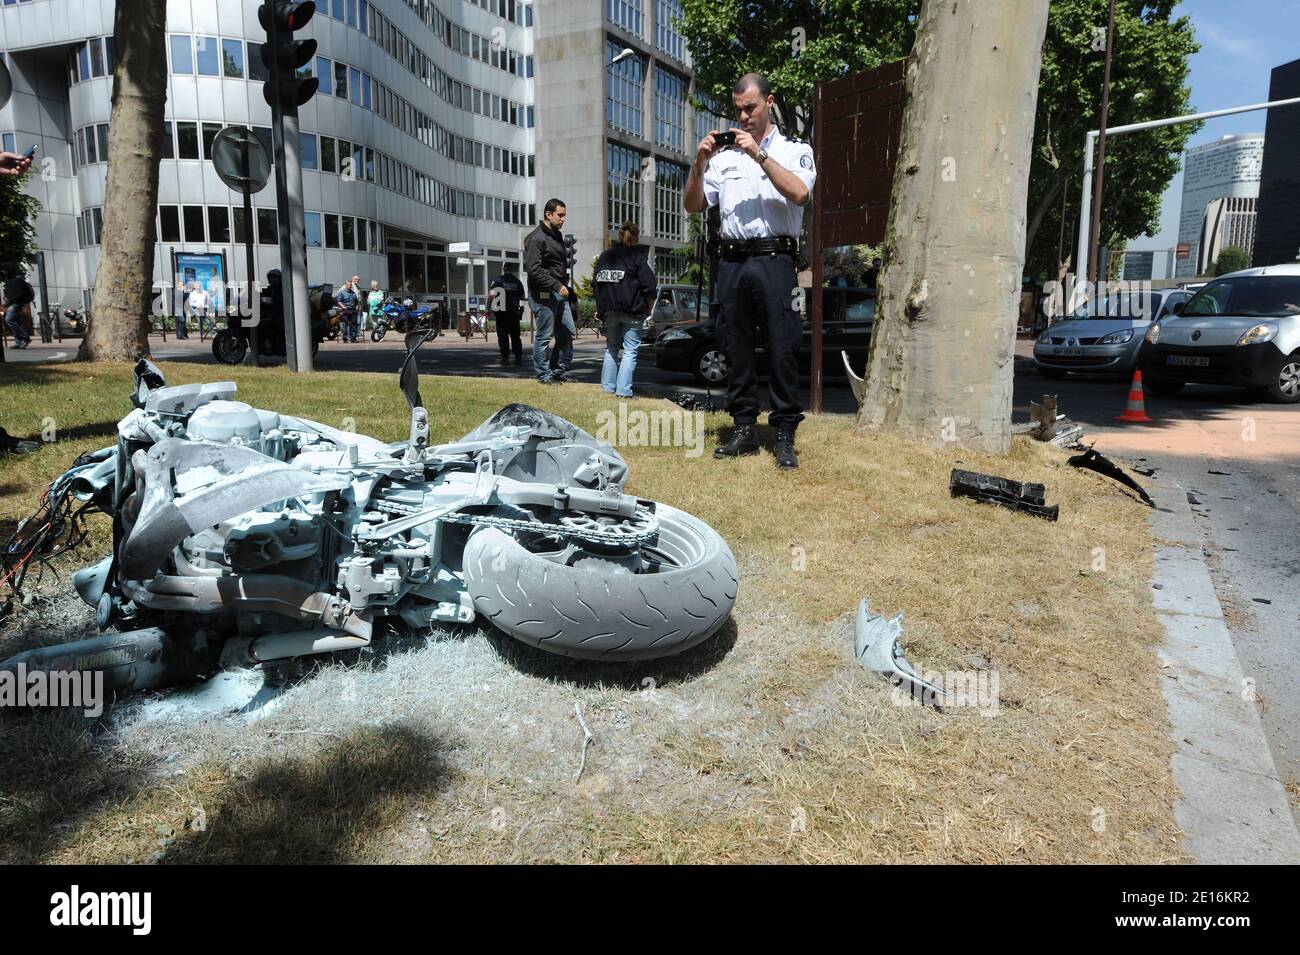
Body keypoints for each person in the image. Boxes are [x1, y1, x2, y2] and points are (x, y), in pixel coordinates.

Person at [684, 72, 816, 470]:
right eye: (738, 109)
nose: (743, 117)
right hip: (732, 261)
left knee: (783, 346)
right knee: (735, 346)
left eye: (751, 108)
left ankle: (783, 432)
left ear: (769, 102)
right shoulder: (722, 159)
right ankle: (743, 426)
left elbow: (799, 193)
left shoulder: (795, 149)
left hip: (775, 259)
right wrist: (698, 163)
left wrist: (758, 154)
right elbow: (694, 205)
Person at [594, 220, 656, 398]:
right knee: (630, 351)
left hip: (610, 311)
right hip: (632, 311)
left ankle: (607, 388)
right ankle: (623, 391)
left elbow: (597, 284)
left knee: (611, 348)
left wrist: (600, 308)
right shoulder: (637, 257)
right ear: (636, 237)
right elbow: (649, 286)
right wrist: (649, 309)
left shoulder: (605, 256)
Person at [523, 197, 576, 383]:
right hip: (542, 293)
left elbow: (557, 267)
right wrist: (556, 285)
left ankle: (558, 371)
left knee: (567, 333)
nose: (563, 219)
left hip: (560, 292)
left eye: (564, 215)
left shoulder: (556, 235)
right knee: (545, 336)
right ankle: (544, 375)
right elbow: (534, 269)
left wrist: (565, 287)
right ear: (548, 214)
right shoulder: (536, 238)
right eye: (560, 215)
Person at [489, 262, 525, 366]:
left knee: (503, 336)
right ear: (513, 270)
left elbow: (491, 296)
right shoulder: (517, 282)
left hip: (501, 313)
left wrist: (488, 308)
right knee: (515, 336)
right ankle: (518, 358)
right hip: (514, 313)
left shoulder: (498, 281)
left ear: (504, 268)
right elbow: (522, 297)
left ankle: (505, 358)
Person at [335, 276, 361, 342]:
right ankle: (345, 338)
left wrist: (357, 307)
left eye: (351, 285)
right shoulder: (342, 292)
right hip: (345, 310)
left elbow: (356, 302)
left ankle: (353, 338)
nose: (350, 286)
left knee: (353, 325)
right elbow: (338, 300)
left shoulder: (353, 293)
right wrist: (343, 307)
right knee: (345, 324)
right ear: (346, 285)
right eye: (349, 285)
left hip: (353, 310)